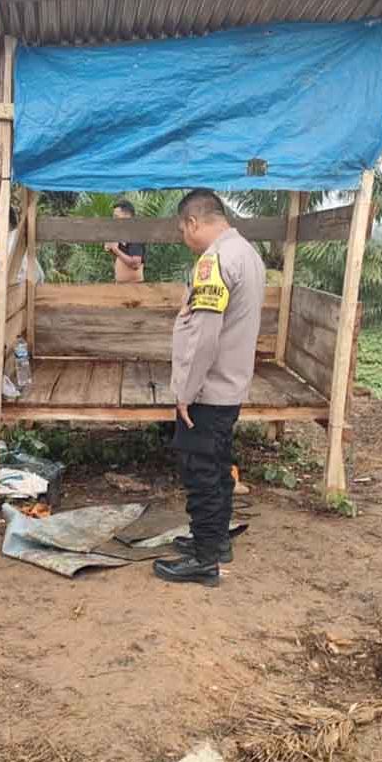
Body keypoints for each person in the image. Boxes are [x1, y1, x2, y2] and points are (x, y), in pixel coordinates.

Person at [153, 190, 264, 587]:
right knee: (217, 466)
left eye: (184, 230)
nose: (185, 238)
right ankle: (215, 542)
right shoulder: (247, 253)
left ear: (194, 223)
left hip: (208, 390)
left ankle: (204, 560)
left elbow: (203, 335)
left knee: (200, 470)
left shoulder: (214, 262)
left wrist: (186, 390)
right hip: (231, 386)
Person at [0, 205, 43, 300]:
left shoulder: (15, 243)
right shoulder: (7, 242)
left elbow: (35, 275)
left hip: (17, 303)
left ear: (7, 222)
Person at [105, 199, 147, 283]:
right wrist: (111, 249)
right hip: (121, 285)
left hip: (134, 286)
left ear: (127, 216)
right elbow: (123, 256)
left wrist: (116, 250)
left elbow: (135, 264)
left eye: (116, 217)